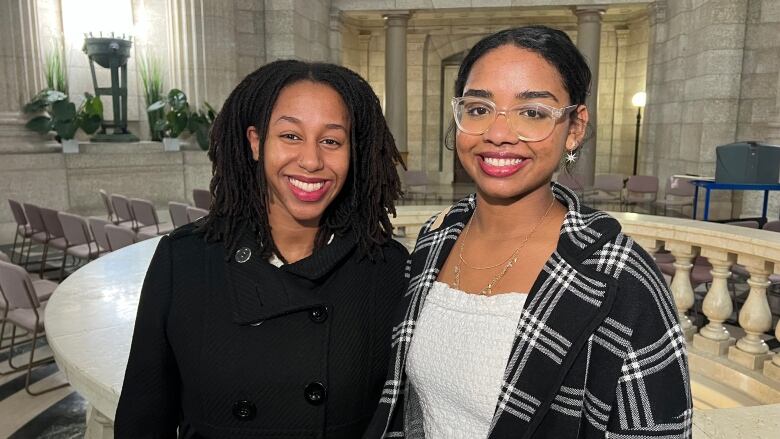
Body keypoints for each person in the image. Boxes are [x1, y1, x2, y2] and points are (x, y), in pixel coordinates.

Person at [365, 26, 692, 438]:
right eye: (479, 108)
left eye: (533, 112)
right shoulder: (435, 241)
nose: (499, 134)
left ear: (574, 127)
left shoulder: (620, 276)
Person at [115, 60, 410, 438]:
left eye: (331, 141)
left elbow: (396, 421)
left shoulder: (386, 268)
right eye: (290, 136)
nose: (310, 160)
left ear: (353, 153)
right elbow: (143, 420)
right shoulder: (185, 260)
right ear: (256, 142)